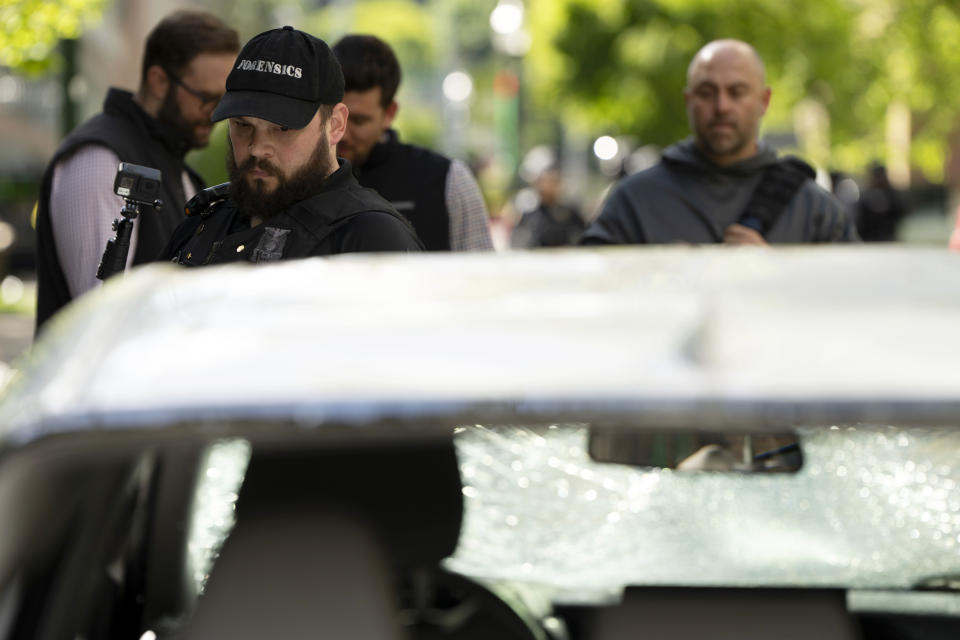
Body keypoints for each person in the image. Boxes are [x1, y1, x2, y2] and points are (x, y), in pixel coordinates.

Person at [34, 10, 239, 330]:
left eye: (224, 99)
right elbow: (98, 315)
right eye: (206, 97)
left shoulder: (177, 169)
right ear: (158, 81)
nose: (216, 114)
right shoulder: (99, 158)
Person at [160, 26, 422, 266]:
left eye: (283, 128)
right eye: (242, 125)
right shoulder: (206, 220)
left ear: (336, 125)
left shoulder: (372, 237)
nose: (257, 148)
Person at [580, 39, 859, 246]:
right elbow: (593, 300)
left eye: (737, 92)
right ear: (689, 101)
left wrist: (779, 276)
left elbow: (855, 305)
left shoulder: (814, 210)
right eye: (706, 92)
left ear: (764, 101)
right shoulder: (633, 203)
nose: (722, 106)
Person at [332, 35, 493, 252]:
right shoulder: (297, 178)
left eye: (359, 121)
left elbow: (479, 277)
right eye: (334, 118)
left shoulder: (449, 181)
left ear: (390, 113)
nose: (343, 134)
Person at [510, 167, 586, 248]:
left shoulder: (570, 215)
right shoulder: (529, 216)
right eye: (542, 182)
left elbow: (583, 238)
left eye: (552, 182)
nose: (546, 186)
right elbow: (519, 242)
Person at [857, 162, 906, 242]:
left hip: (888, 237)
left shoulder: (891, 195)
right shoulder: (866, 196)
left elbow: (899, 212)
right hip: (870, 238)